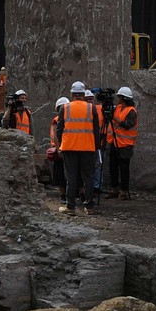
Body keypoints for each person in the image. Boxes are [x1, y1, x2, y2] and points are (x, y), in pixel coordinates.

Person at [55, 81, 101, 215]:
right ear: (83, 94)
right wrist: (96, 147)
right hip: (87, 147)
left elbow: (59, 130)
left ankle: (71, 207)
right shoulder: (91, 108)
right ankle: (89, 206)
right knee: (88, 177)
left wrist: (62, 144)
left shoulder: (65, 108)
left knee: (71, 177)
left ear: (72, 94)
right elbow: (96, 130)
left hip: (70, 147)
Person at [105, 87, 138, 200]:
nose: (117, 98)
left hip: (125, 144)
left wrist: (114, 118)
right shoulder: (118, 108)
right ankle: (114, 189)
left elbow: (127, 125)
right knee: (113, 167)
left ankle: (124, 190)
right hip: (115, 142)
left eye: (119, 97)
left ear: (123, 98)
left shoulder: (131, 111)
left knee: (124, 169)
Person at [49, 96, 69, 204]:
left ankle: (66, 195)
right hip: (62, 150)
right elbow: (55, 136)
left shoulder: (68, 119)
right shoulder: (57, 120)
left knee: (66, 173)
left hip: (67, 149)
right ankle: (63, 195)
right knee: (61, 174)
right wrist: (59, 149)